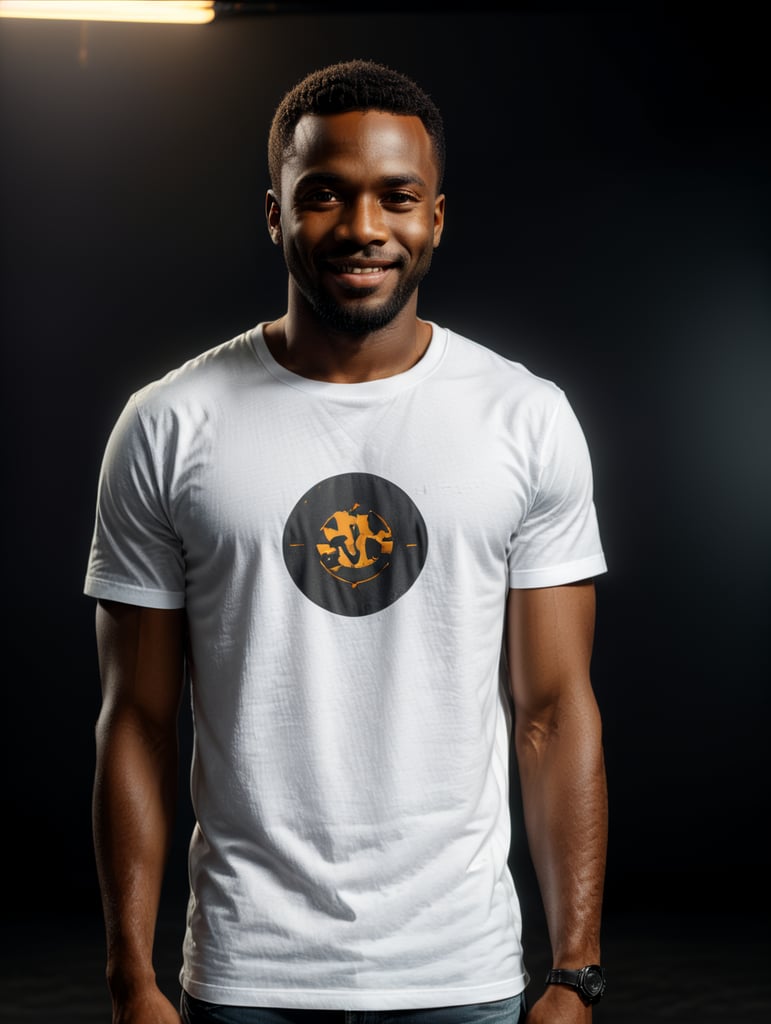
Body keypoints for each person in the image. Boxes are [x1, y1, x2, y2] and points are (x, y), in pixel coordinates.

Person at [85, 59, 608, 1024]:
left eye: (395, 198)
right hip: (248, 975)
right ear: (275, 214)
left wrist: (573, 973)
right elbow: (138, 722)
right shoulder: (167, 423)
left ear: (435, 218)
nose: (362, 227)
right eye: (323, 194)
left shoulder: (525, 419)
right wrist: (132, 979)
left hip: (463, 973)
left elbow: (552, 710)